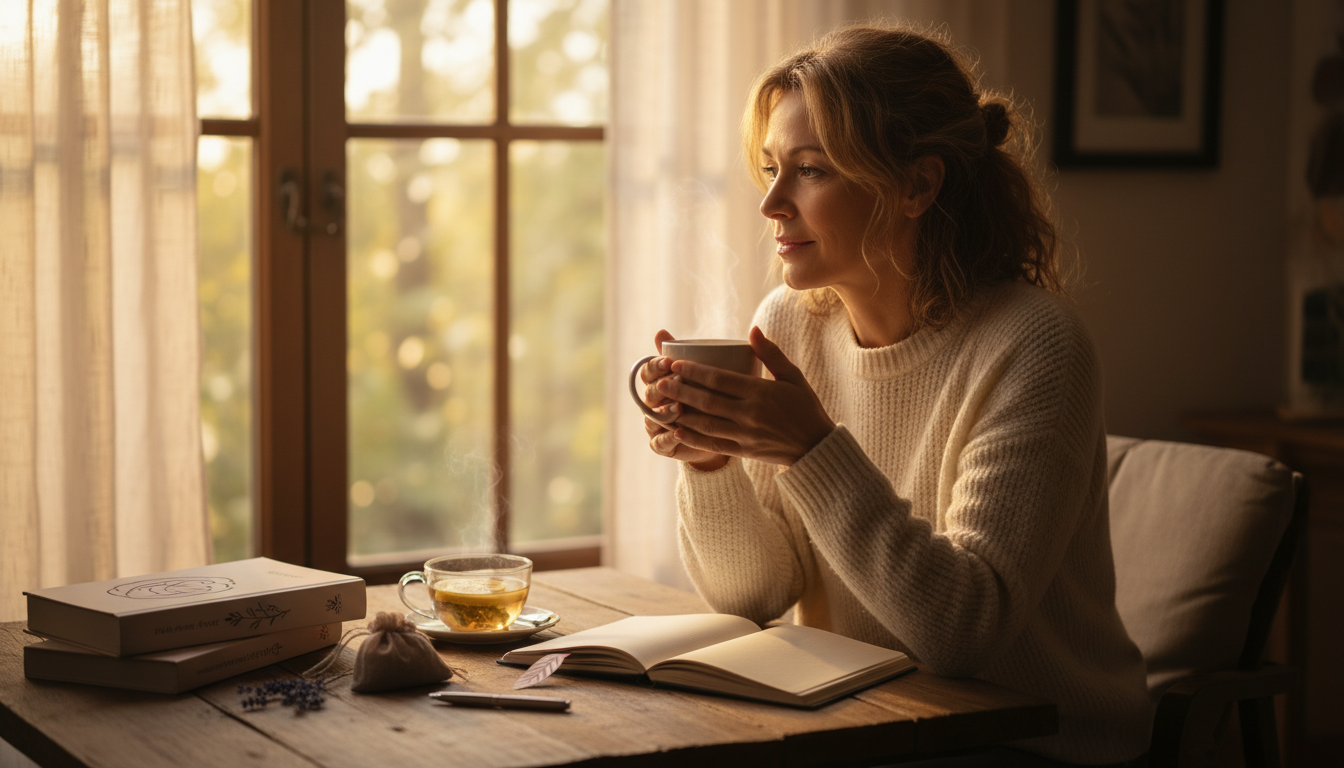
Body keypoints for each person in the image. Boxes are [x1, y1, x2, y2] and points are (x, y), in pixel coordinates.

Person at [634, 24, 1152, 768]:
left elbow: (963, 632)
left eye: (810, 171)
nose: (771, 204)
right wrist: (712, 462)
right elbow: (753, 594)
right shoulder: (788, 326)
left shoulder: (1034, 345)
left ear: (917, 185)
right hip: (862, 722)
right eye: (772, 167)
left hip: (1032, 743)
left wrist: (810, 449)